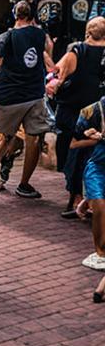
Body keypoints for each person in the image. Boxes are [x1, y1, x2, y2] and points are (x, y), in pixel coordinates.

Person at [0, 1, 53, 198]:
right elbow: (48, 49)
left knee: (7, 137)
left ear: (14, 15)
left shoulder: (5, 37)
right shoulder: (40, 34)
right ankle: (24, 184)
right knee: (35, 138)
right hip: (34, 93)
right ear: (31, 17)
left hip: (10, 95)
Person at [47, 16, 105, 219]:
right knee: (95, 156)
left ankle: (76, 198)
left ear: (88, 31)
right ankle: (92, 200)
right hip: (98, 113)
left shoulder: (77, 51)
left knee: (72, 154)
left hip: (73, 111)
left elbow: (56, 75)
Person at [73, 94, 105, 274]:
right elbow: (75, 137)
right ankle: (100, 252)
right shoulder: (94, 110)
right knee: (99, 204)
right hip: (98, 167)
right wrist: (91, 135)